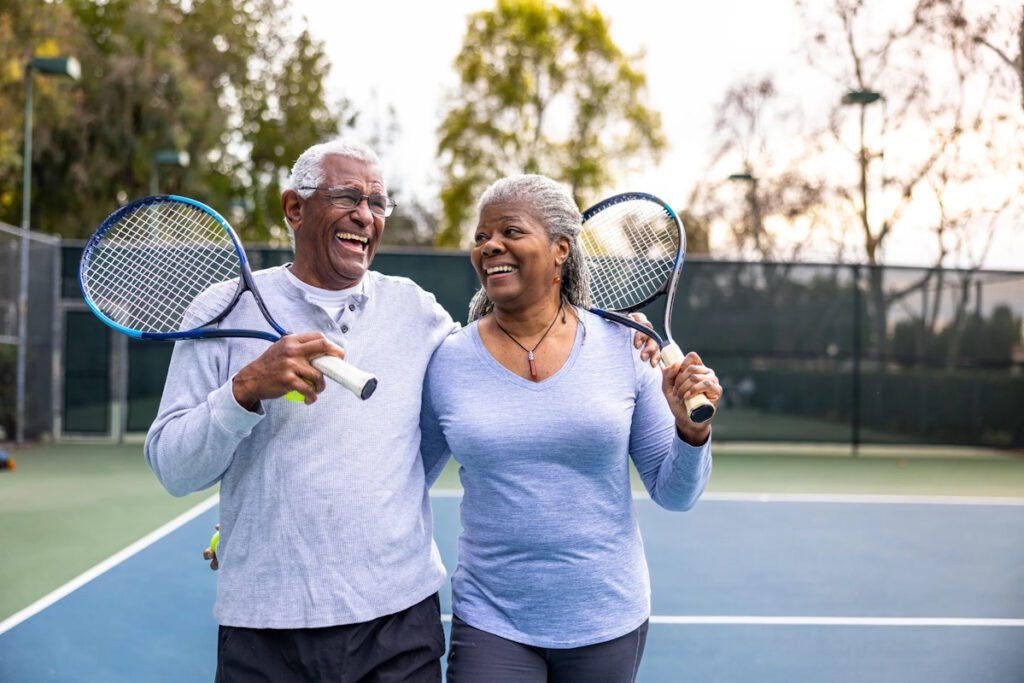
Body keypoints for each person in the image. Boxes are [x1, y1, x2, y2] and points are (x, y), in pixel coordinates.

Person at [153, 138, 660, 681]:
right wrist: (247, 388)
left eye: (377, 202)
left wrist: (619, 336)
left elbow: (484, 381)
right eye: (347, 196)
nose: (364, 215)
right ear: (294, 209)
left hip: (397, 625)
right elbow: (174, 467)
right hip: (264, 621)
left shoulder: (420, 316)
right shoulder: (222, 309)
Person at [418, 174, 721, 682]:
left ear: (561, 249)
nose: (491, 245)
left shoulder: (627, 346)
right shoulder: (448, 359)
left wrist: (691, 433)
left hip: (608, 618)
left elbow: (675, 494)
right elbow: (407, 482)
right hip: (493, 619)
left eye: (510, 231)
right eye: (481, 237)